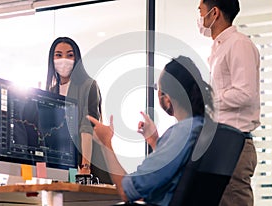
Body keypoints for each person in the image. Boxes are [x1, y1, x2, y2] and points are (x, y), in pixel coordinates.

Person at [87, 55, 214, 206]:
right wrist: (155, 141)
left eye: (158, 89)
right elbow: (174, 181)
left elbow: (125, 191)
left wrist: (106, 142)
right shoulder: (203, 128)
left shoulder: (182, 133)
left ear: (167, 98)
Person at [197, 0, 260, 205]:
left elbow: (245, 93)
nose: (199, 18)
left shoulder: (238, 44)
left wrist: (208, 99)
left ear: (214, 13)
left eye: (201, 11)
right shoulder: (218, 49)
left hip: (235, 144)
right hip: (221, 144)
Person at [45, 37, 112, 184]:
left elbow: (86, 128)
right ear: (52, 59)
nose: (64, 60)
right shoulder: (51, 91)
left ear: (77, 58)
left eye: (70, 55)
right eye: (58, 55)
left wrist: (85, 167)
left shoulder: (88, 85)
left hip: (87, 164)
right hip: (61, 164)